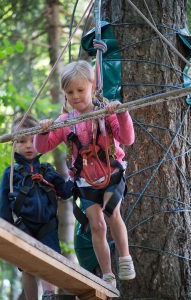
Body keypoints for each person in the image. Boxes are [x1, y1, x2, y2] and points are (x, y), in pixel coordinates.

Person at [34, 60, 136, 287]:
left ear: (92, 86)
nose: (75, 96)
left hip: (111, 174)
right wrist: (43, 131)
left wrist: (121, 114)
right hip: (85, 181)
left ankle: (125, 257)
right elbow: (42, 147)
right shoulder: (65, 122)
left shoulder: (105, 112)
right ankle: (107, 274)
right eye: (70, 92)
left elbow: (127, 139)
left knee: (111, 213)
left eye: (80, 90)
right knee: (97, 225)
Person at [0, 115, 73, 300]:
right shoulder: (10, 174)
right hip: (23, 225)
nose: (28, 145)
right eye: (22, 141)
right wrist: (6, 230)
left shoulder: (47, 170)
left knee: (49, 261)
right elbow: (4, 206)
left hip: (47, 225)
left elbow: (65, 192)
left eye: (33, 139)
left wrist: (75, 172)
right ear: (14, 145)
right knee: (28, 267)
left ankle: (49, 295)